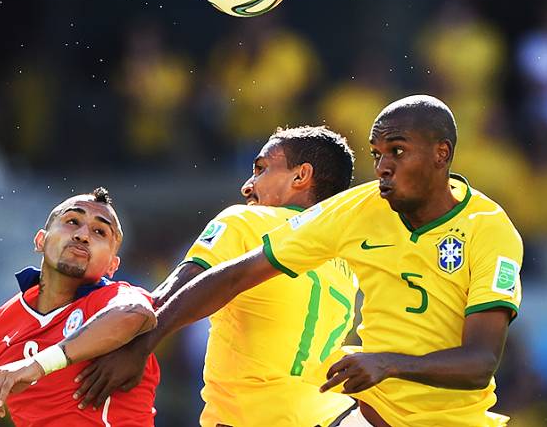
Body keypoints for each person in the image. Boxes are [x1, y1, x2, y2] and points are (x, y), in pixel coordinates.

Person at [79, 96, 524, 427]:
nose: (383, 166)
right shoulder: (351, 218)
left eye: (398, 151)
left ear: (441, 154)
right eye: (377, 155)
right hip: (347, 413)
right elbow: (236, 275)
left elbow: (481, 361)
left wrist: (134, 345)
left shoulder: (489, 229)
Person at [81, 126, 360, 426]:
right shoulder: (345, 258)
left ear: (300, 176)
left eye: (261, 169)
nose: (248, 186)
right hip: (328, 416)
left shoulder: (248, 221)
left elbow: (170, 292)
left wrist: (118, 344)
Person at [0, 188, 160, 426]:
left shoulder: (113, 300)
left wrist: (38, 365)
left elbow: (137, 314)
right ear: (40, 240)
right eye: (72, 221)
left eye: (99, 231)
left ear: (112, 265)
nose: (82, 235)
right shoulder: (0, 323)